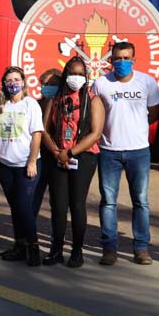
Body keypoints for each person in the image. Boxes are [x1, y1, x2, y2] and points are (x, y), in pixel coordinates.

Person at [92, 42, 159, 266]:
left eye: (126, 58)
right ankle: (109, 248)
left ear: (134, 59)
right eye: (117, 58)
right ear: (111, 60)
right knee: (108, 202)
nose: (121, 62)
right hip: (109, 151)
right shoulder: (101, 84)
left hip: (139, 151)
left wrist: (136, 129)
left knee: (141, 201)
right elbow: (95, 116)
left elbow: (153, 113)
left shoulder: (147, 82)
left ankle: (141, 248)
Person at [41, 57, 104, 268]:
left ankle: (77, 252)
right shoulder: (56, 99)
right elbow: (45, 130)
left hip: (83, 156)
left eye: (79, 74)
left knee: (77, 205)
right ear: (65, 75)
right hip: (57, 155)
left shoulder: (93, 100)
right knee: (58, 206)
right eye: (71, 74)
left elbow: (95, 133)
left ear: (85, 76)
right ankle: (56, 250)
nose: (75, 78)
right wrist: (57, 151)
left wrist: (70, 153)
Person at [0, 66, 45, 266]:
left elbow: (37, 134)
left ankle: (33, 246)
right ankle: (19, 246)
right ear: (4, 84)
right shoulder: (0, 105)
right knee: (15, 207)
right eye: (9, 80)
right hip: (5, 164)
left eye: (16, 79)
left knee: (24, 206)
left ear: (23, 82)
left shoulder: (30, 104)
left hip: (26, 164)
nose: (13, 83)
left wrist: (32, 161)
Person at [32, 68, 63, 220]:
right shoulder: (34, 105)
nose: (45, 87)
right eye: (43, 84)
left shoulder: (64, 105)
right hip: (38, 158)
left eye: (50, 84)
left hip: (57, 157)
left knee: (58, 200)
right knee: (33, 196)